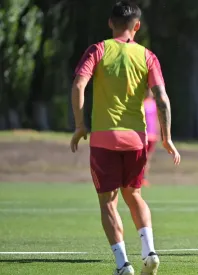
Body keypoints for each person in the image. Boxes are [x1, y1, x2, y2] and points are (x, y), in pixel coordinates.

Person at [70, 1, 181, 274]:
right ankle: (149, 251)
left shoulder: (98, 50)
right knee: (135, 195)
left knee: (108, 202)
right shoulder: (147, 56)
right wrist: (166, 137)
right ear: (137, 26)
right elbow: (162, 100)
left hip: (104, 140)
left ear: (110, 23)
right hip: (136, 140)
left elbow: (78, 85)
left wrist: (79, 125)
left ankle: (123, 265)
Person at [142, 90, 160, 186]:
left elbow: (157, 119)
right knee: (142, 157)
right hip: (144, 134)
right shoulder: (142, 103)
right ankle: (139, 177)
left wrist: (158, 133)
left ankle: (144, 178)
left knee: (148, 158)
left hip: (152, 135)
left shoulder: (154, 104)